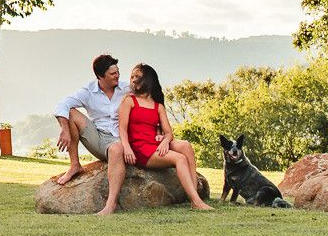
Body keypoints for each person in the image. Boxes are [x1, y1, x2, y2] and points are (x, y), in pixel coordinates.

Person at [99, 62, 213, 214]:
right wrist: (126, 148)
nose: (133, 80)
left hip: (155, 144)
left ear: (148, 79)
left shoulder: (158, 106)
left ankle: (195, 198)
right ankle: (196, 202)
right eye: (132, 77)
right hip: (140, 148)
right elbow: (122, 128)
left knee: (185, 145)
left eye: (137, 77)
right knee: (180, 158)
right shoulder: (129, 101)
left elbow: (168, 132)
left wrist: (165, 141)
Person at [51, 53, 128, 198]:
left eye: (118, 72)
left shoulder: (126, 88)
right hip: (99, 138)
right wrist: (65, 130)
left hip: (122, 138)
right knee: (71, 113)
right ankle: (75, 165)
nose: (117, 75)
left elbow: (151, 99)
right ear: (100, 76)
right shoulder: (88, 91)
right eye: (113, 73)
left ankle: (111, 202)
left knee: (117, 148)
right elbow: (63, 104)